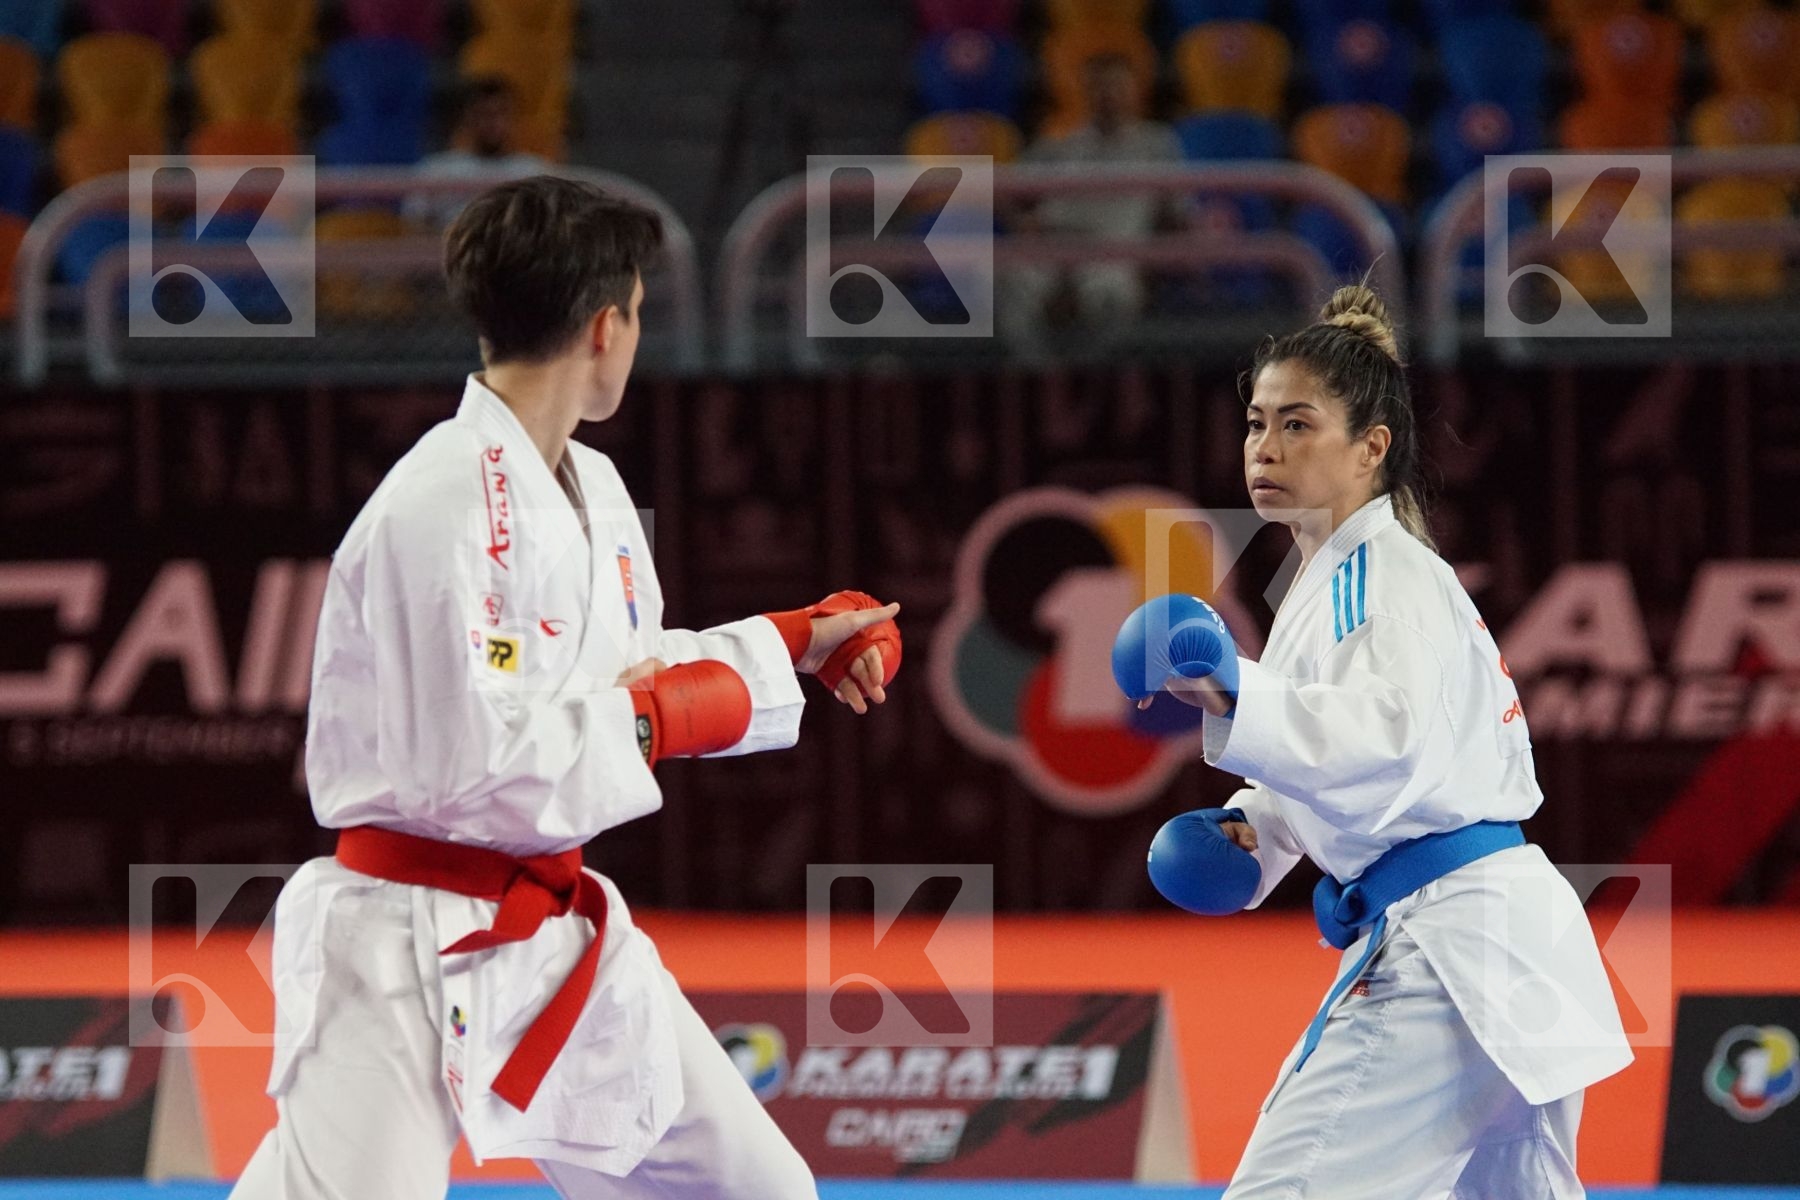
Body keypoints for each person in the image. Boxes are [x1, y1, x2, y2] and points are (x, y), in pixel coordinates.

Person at [231, 176, 902, 1200]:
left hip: (548, 926)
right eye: (637, 314)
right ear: (605, 324)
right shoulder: (436, 502)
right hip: (396, 942)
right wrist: (660, 717)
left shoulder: (590, 486)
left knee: (756, 1190)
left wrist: (790, 644)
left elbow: (620, 675)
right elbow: (476, 765)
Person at [1113, 285, 1631, 1198]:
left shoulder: (1375, 578)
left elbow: (1382, 744)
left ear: (1371, 447)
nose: (1266, 447)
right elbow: (1369, 749)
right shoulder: (1335, 579)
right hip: (1502, 952)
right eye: (1256, 423)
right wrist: (1259, 832)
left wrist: (1237, 687)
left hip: (1449, 958)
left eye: (1298, 424)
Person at [997, 52, 1184, 360]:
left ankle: (1093, 385)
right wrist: (1023, 223)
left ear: (1134, 90)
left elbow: (1175, 213)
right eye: (1099, 87)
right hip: (1054, 248)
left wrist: (1155, 260)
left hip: (1114, 258)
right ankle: (1036, 376)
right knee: (1009, 280)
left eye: (1117, 87)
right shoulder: (1062, 145)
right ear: (1087, 92)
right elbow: (1009, 191)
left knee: (1111, 296)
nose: (1108, 95)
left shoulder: (1157, 145)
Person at [403, 77, 551, 229]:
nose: (494, 123)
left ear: (514, 117)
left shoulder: (535, 172)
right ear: (467, 117)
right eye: (484, 113)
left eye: (502, 113)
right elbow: (416, 227)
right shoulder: (435, 170)